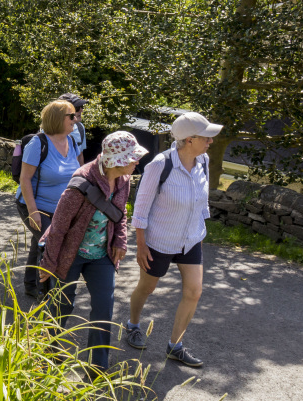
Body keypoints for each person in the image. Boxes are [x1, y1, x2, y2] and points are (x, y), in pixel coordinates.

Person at [38, 132, 148, 373]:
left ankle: (97, 366)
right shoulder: (81, 182)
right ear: (116, 160)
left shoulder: (124, 178)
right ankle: (49, 354)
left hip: (101, 254)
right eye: (133, 157)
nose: (137, 161)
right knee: (62, 305)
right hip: (70, 252)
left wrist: (120, 240)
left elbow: (120, 212)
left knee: (103, 307)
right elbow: (57, 228)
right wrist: (48, 263)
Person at [124, 112, 222, 368]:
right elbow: (141, 208)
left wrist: (200, 234)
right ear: (189, 139)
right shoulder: (159, 164)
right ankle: (133, 325)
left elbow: (202, 201)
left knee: (194, 291)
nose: (210, 141)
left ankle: (174, 346)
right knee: (147, 288)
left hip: (191, 240)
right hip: (160, 241)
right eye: (206, 137)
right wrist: (141, 245)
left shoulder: (203, 160)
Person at [15, 100, 82, 299]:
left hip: (61, 208)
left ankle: (31, 285)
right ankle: (46, 296)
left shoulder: (71, 141)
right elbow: (24, 178)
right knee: (51, 246)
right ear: (58, 119)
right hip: (35, 206)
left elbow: (79, 172)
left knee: (40, 243)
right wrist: (33, 211)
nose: (76, 119)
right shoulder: (38, 143)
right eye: (71, 116)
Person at [59, 92, 88, 165]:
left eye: (81, 107)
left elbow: (80, 155)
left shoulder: (80, 127)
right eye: (77, 108)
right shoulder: (48, 131)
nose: (81, 110)